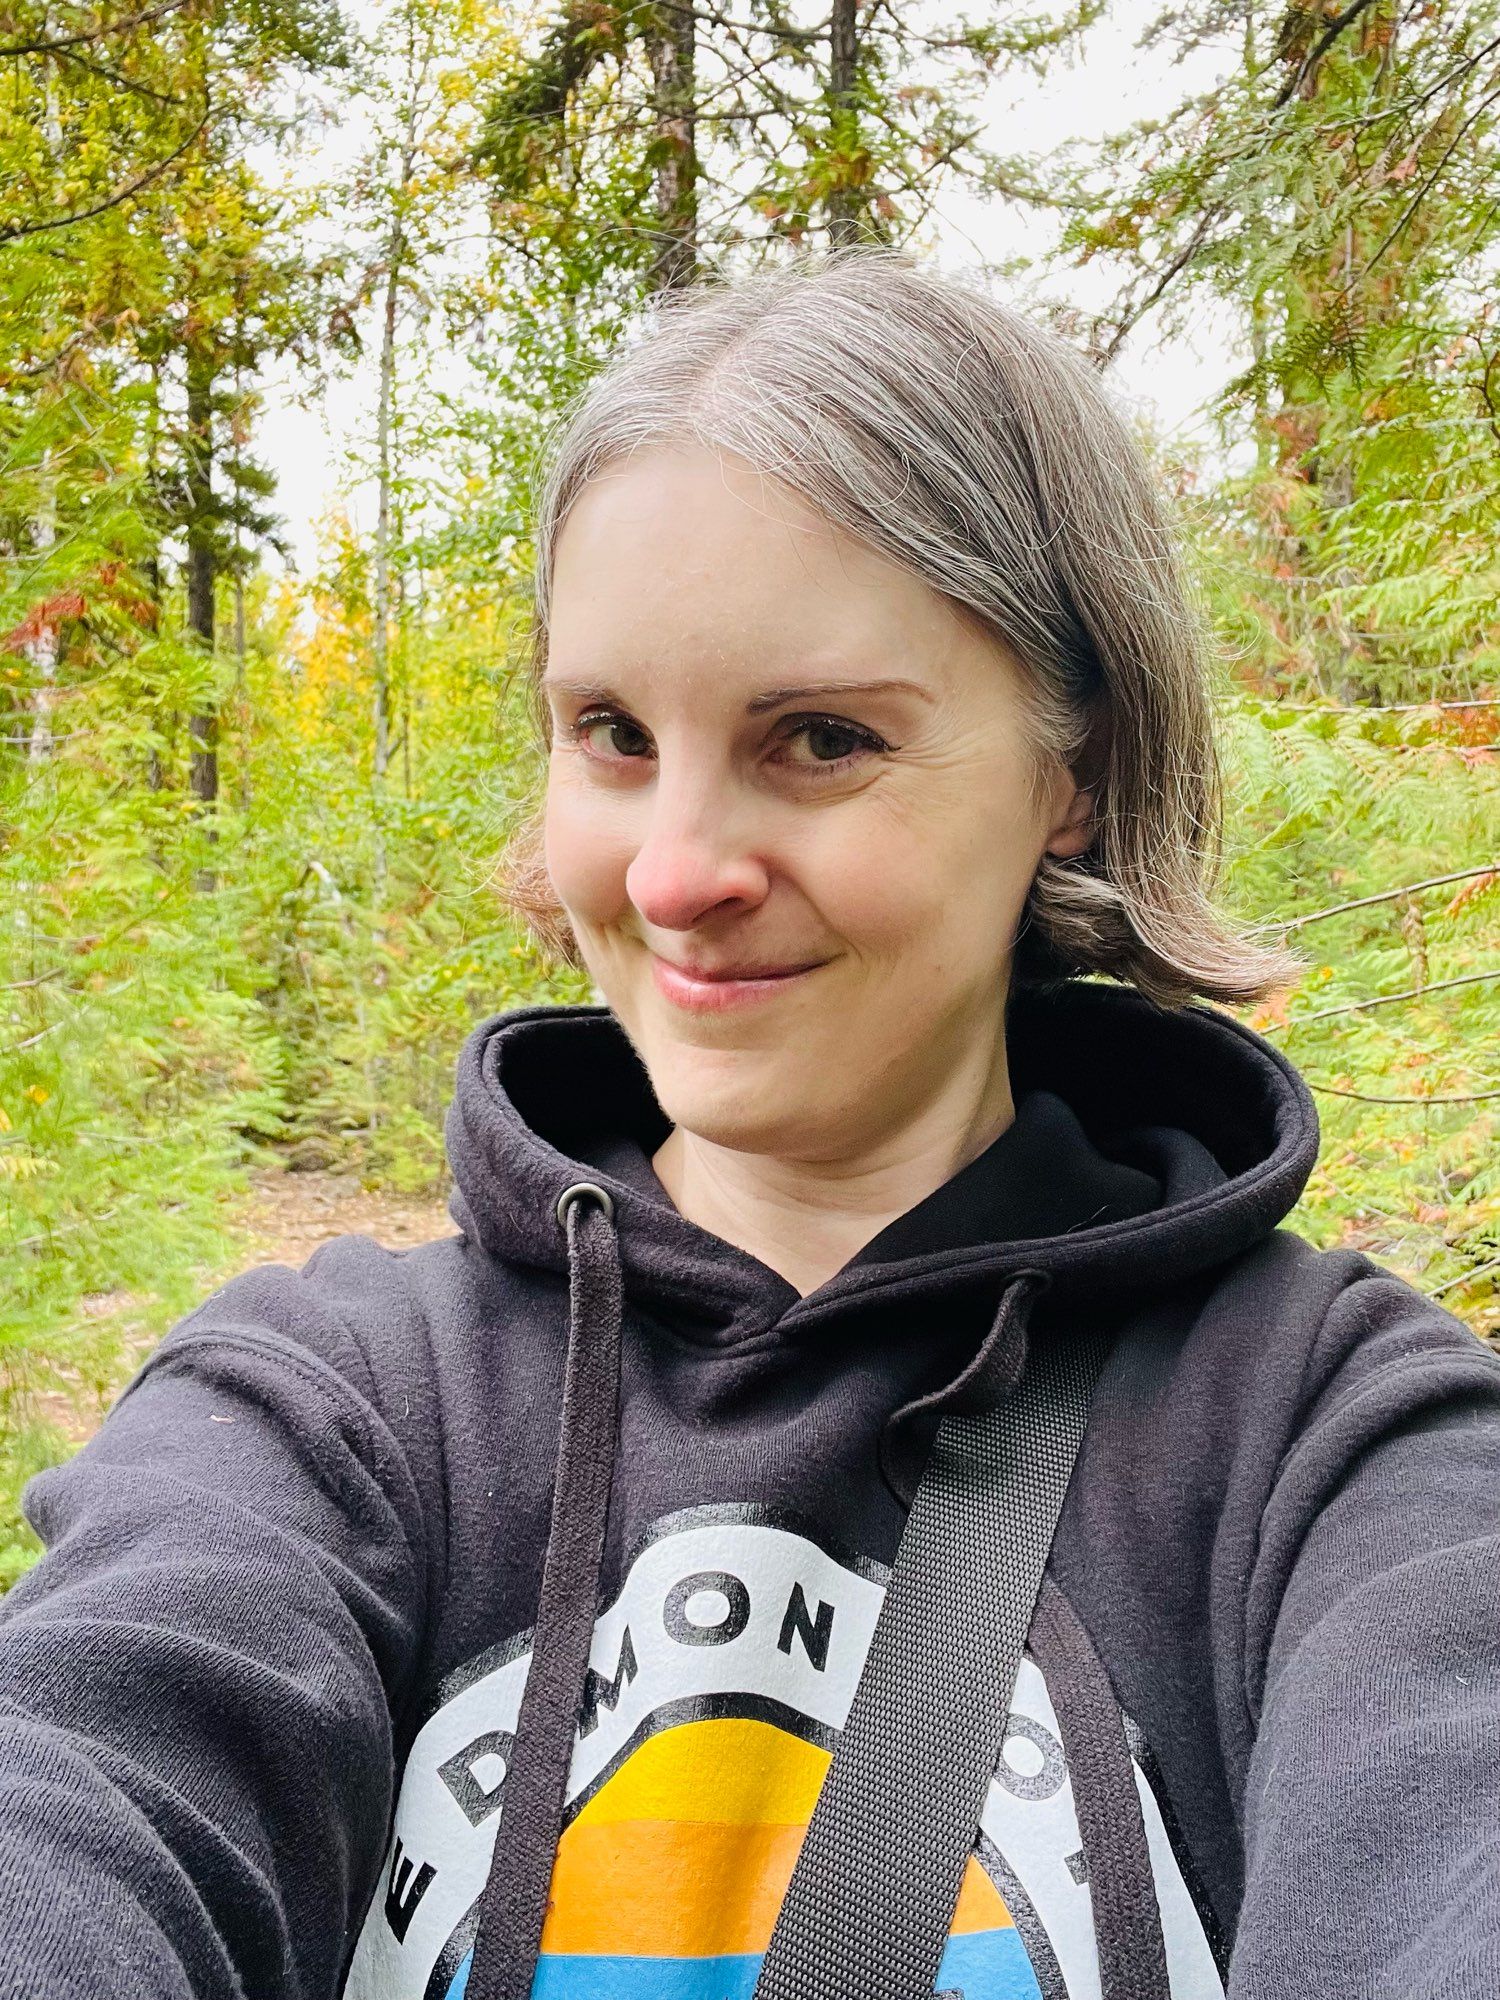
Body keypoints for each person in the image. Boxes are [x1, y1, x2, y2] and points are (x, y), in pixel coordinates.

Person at [1, 248, 1496, 2000]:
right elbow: (91, 1780)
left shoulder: (1330, 1450)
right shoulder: (336, 1406)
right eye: (614, 733)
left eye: (821, 739)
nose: (675, 871)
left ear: (1072, 768)